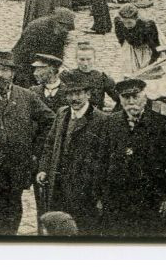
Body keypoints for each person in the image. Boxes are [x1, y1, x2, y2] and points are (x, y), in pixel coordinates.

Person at [0, 51, 52, 236]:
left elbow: (50, 121)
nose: (1, 74)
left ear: (13, 73)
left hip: (15, 171)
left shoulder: (26, 97)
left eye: (5, 70)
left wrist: (34, 149)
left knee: (11, 217)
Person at [99, 77, 166, 236]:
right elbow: (101, 160)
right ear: (120, 99)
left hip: (149, 199)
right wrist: (100, 196)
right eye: (126, 97)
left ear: (144, 97)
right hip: (116, 199)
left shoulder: (161, 125)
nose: (131, 101)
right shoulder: (110, 123)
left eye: (136, 96)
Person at [34, 71, 113, 226]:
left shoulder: (101, 120)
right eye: (70, 94)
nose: (74, 99)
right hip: (58, 185)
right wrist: (43, 169)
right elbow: (50, 144)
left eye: (78, 93)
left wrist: (99, 195)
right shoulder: (62, 113)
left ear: (88, 94)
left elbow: (105, 159)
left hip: (85, 190)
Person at [13, 8, 77, 89]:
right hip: (24, 63)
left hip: (44, 63)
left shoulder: (62, 33)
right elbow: (25, 53)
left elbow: (58, 53)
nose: (65, 30)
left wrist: (56, 68)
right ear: (56, 23)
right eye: (63, 27)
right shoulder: (36, 28)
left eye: (67, 28)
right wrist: (42, 67)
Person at [69, 40, 118, 111]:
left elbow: (120, 98)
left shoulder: (102, 78)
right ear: (76, 59)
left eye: (89, 59)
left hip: (95, 118)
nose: (85, 63)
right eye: (82, 59)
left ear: (94, 59)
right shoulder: (69, 76)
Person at [114, 3, 161, 73]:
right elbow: (121, 40)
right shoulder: (119, 23)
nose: (126, 25)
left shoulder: (148, 26)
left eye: (129, 23)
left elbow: (156, 48)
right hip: (130, 46)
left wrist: (151, 63)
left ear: (136, 18)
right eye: (124, 22)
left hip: (146, 47)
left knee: (147, 69)